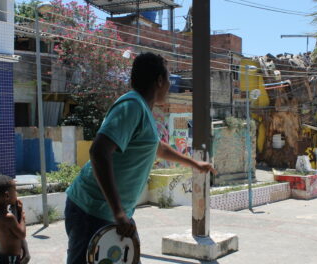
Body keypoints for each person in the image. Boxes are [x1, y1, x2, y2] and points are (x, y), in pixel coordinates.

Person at [65, 52, 216, 264]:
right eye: (168, 77)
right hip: (93, 211)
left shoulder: (142, 109)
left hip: (115, 213)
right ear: (160, 80)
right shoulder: (132, 106)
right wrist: (117, 212)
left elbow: (157, 148)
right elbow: (98, 152)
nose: (170, 85)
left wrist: (194, 163)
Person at [0, 175, 30, 264]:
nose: (17, 194)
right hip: (10, 260)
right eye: (15, 191)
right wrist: (21, 215)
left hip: (0, 257)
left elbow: (12, 234)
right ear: (7, 195)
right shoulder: (8, 217)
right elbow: (22, 234)